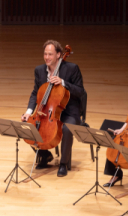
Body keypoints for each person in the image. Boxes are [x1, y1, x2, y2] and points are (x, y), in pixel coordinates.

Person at [21, 40, 85, 177]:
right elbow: (35, 93)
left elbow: (80, 91)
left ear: (58, 55)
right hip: (47, 111)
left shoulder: (72, 68)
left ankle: (63, 163)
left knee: (67, 129)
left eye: (50, 54)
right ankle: (44, 156)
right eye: (45, 54)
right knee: (29, 126)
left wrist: (63, 82)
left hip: (68, 111)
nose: (47, 57)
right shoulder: (39, 70)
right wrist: (28, 112)